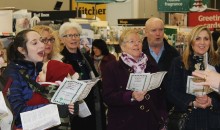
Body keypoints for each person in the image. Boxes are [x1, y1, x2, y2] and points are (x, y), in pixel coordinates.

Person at [2, 29, 74, 129]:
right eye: (35, 43)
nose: (42, 45)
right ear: (22, 50)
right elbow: (16, 113)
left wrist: (70, 107)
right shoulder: (12, 74)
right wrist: (54, 109)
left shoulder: (41, 67)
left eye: (41, 41)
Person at [102, 29, 167, 130]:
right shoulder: (112, 67)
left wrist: (162, 118)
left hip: (150, 123)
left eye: (139, 41)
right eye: (132, 42)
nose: (136, 44)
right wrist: (131, 96)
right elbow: (108, 96)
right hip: (124, 124)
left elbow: (160, 95)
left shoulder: (151, 64)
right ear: (122, 46)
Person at [166, 25, 220, 130]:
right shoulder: (179, 62)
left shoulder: (217, 62)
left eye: (206, 39)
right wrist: (192, 102)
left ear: (210, 42)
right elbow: (171, 91)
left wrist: (211, 101)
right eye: (198, 38)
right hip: (188, 120)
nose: (202, 43)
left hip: (214, 120)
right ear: (191, 42)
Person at [59, 22, 103, 130]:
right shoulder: (61, 60)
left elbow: (95, 77)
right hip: (75, 109)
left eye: (76, 35)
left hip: (92, 103)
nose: (74, 38)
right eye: (69, 35)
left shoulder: (86, 57)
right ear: (62, 39)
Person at [142, 17, 180, 111]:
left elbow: (178, 82)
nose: (158, 33)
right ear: (146, 32)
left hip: (168, 107)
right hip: (143, 107)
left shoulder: (174, 54)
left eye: (161, 30)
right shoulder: (138, 53)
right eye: (154, 30)